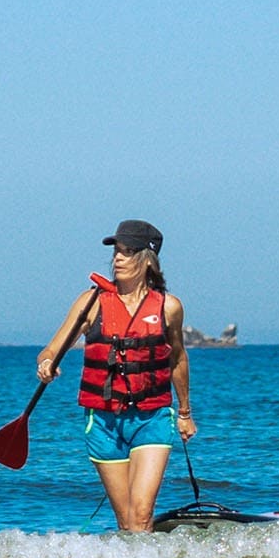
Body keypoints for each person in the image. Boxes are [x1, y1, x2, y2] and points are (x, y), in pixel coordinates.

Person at [35, 219, 193, 533]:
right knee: (126, 522)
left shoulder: (169, 307)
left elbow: (176, 358)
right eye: (117, 252)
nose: (117, 259)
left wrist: (185, 413)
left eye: (127, 252)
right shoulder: (91, 302)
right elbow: (51, 350)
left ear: (147, 259)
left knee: (142, 515)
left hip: (152, 418)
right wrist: (47, 363)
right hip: (104, 424)